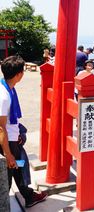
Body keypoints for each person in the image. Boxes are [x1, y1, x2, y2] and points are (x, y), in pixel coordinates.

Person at [0, 56, 48, 208]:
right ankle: (8, 201)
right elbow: (0, 128)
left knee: (20, 164)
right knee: (12, 168)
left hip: (14, 138)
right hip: (8, 142)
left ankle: (28, 194)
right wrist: (8, 154)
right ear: (19, 74)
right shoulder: (4, 96)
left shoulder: (8, 88)